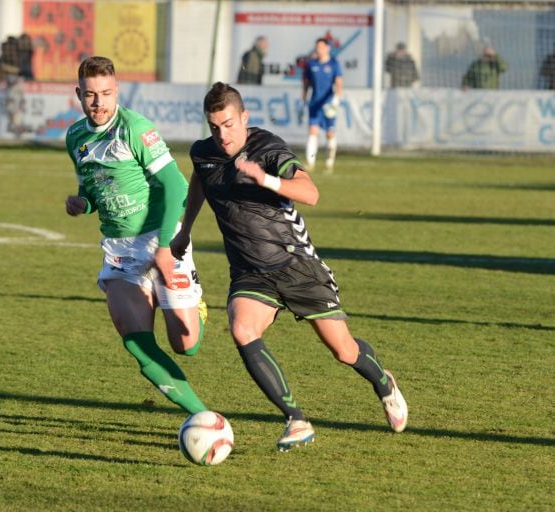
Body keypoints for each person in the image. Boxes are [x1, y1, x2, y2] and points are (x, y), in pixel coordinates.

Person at [170, 82, 408, 451]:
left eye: (229, 124)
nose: (222, 134)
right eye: (215, 126)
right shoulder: (204, 153)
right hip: (250, 270)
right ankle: (296, 419)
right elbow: (201, 180)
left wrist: (265, 178)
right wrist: (185, 231)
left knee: (344, 351)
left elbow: (310, 192)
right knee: (242, 328)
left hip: (295, 264)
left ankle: (383, 382)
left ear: (244, 117)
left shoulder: (267, 148)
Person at [64, 56, 208, 416]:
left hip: (159, 237)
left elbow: (176, 184)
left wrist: (163, 247)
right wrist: (82, 202)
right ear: (79, 93)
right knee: (138, 344)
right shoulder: (75, 136)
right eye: (91, 95)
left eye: (107, 94)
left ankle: (196, 305)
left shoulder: (135, 128)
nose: (99, 103)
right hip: (119, 251)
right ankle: (203, 416)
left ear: (117, 91)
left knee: (186, 345)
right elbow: (92, 187)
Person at [302, 38, 343, 172]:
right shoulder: (311, 64)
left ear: (327, 48)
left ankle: (329, 163)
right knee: (313, 132)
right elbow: (306, 83)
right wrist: (303, 98)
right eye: (317, 47)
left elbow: (338, 84)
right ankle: (310, 162)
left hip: (328, 105)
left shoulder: (334, 64)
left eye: (321, 47)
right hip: (314, 104)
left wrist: (336, 100)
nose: (318, 50)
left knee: (330, 134)